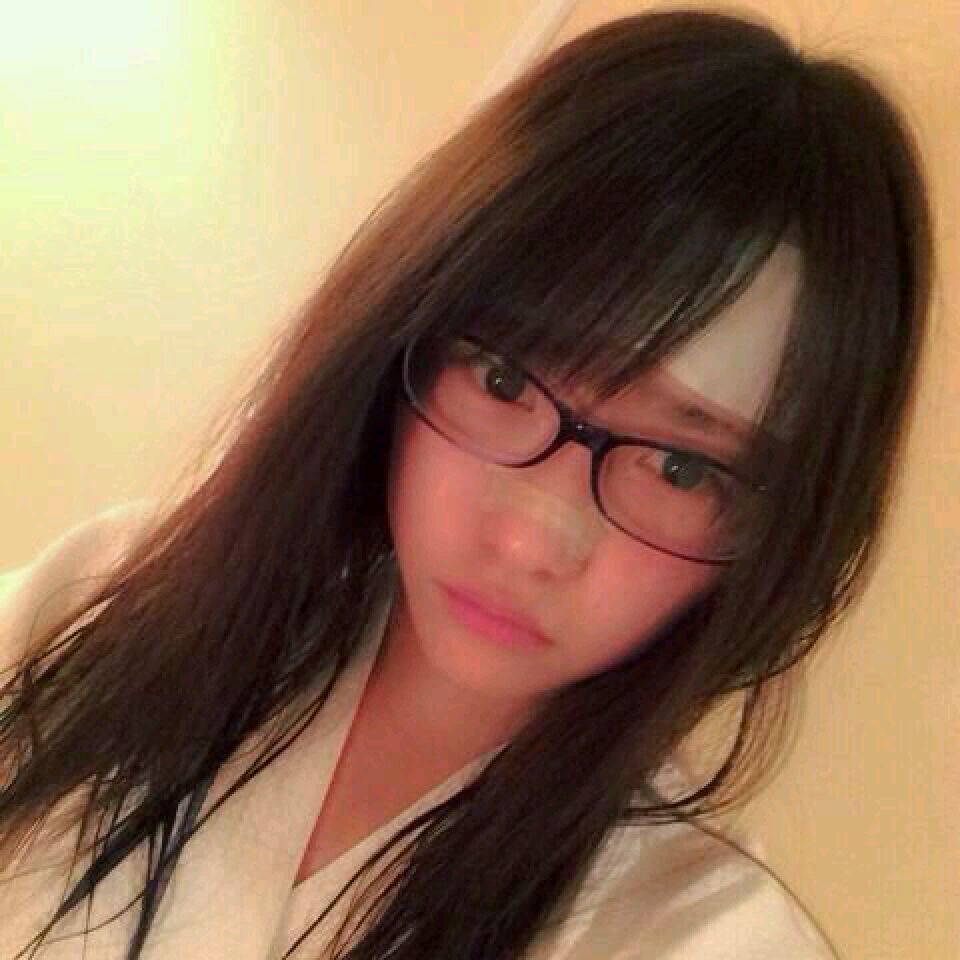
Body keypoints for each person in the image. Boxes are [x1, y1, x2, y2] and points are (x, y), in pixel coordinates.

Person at [0, 9, 931, 960]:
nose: (531, 540)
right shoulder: (106, 606)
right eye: (502, 382)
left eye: (679, 467)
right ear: (401, 335)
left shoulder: (700, 939)